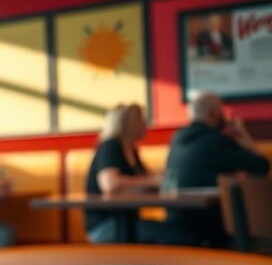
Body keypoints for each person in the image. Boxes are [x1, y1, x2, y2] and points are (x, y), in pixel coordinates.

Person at [164, 92, 269, 246]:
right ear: (213, 113)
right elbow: (262, 166)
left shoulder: (176, 138)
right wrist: (243, 134)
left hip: (175, 224)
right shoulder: (217, 141)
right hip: (211, 230)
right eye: (222, 112)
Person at [84, 103, 165, 243]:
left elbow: (146, 179)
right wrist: (153, 181)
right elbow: (109, 183)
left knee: (178, 230)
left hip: (128, 222)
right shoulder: (110, 146)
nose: (145, 123)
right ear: (128, 124)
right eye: (141, 119)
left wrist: (158, 179)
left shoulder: (132, 150)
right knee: (176, 234)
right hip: (104, 226)